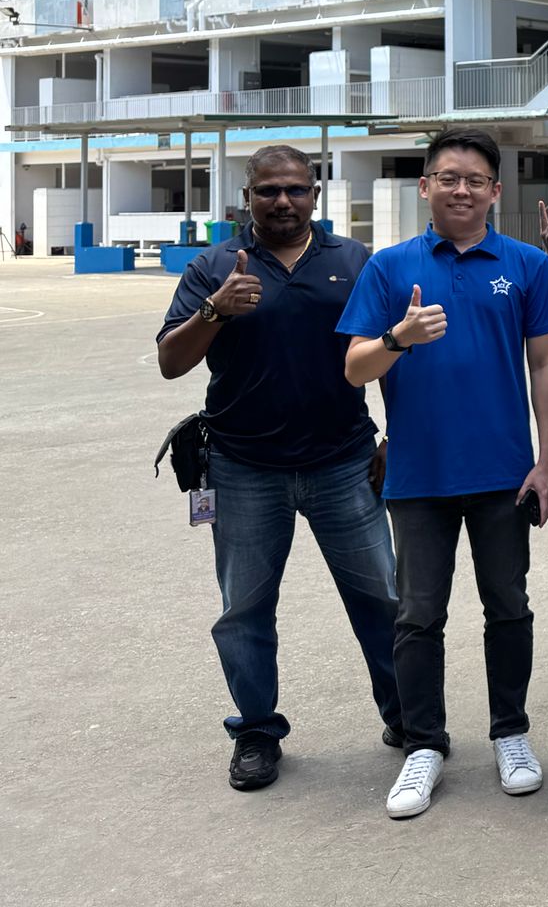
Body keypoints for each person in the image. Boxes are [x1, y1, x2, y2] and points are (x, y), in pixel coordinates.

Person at [338, 128, 548, 821]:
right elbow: (354, 368)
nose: (461, 189)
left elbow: (544, 366)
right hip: (418, 476)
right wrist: (397, 338)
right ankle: (424, 743)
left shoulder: (526, 265)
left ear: (495, 190)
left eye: (474, 180)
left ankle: (511, 733)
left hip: (504, 474)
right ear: (425, 187)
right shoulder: (389, 268)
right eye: (447, 177)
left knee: (509, 607)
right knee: (417, 615)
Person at [156, 145, 399, 792]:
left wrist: (395, 437)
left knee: (382, 598)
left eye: (295, 189)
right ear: (247, 197)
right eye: (268, 191)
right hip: (242, 467)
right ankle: (258, 732)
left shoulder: (354, 261)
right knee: (244, 610)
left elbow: (389, 352)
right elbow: (171, 362)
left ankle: (407, 715)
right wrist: (215, 310)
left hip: (344, 462)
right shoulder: (213, 267)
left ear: (315, 193)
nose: (282, 201)